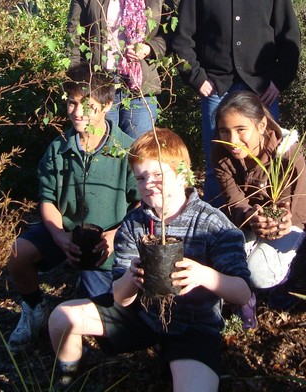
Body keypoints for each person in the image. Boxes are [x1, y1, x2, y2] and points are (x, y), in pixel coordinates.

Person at [48, 127, 251, 391]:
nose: (148, 184)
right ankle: (68, 377)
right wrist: (131, 279)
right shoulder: (135, 223)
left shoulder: (212, 224)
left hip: (193, 328)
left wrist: (204, 275)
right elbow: (120, 298)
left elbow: (243, 293)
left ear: (182, 176)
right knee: (61, 318)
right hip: (142, 317)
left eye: (158, 175)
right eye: (141, 178)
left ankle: (177, 360)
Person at [172, 0, 301, 204]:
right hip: (216, 89)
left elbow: (290, 39)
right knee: (218, 162)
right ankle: (221, 230)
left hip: (262, 91)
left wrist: (279, 82)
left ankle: (264, 224)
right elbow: (182, 41)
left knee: (268, 159)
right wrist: (197, 78)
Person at [6, 64, 138, 352]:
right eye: (71, 103)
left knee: (110, 339)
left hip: (105, 245)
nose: (78, 112)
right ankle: (34, 309)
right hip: (65, 232)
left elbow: (141, 204)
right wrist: (59, 237)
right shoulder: (58, 148)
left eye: (87, 105)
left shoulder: (127, 150)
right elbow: (48, 199)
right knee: (18, 255)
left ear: (106, 106)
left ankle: (85, 304)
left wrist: (115, 237)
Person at [211, 90, 306, 328]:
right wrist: (250, 216)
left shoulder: (288, 152)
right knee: (229, 264)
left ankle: (283, 282)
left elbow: (298, 208)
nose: (232, 141)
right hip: (247, 221)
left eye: (240, 130)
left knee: (257, 273)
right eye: (224, 131)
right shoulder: (220, 151)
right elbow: (234, 201)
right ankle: (245, 302)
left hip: (287, 226)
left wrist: (282, 223)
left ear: (261, 125)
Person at [67, 0, 175, 140]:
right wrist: (77, 82)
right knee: (101, 149)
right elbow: (73, 36)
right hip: (98, 88)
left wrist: (149, 49)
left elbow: (171, 34)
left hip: (140, 89)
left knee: (140, 154)